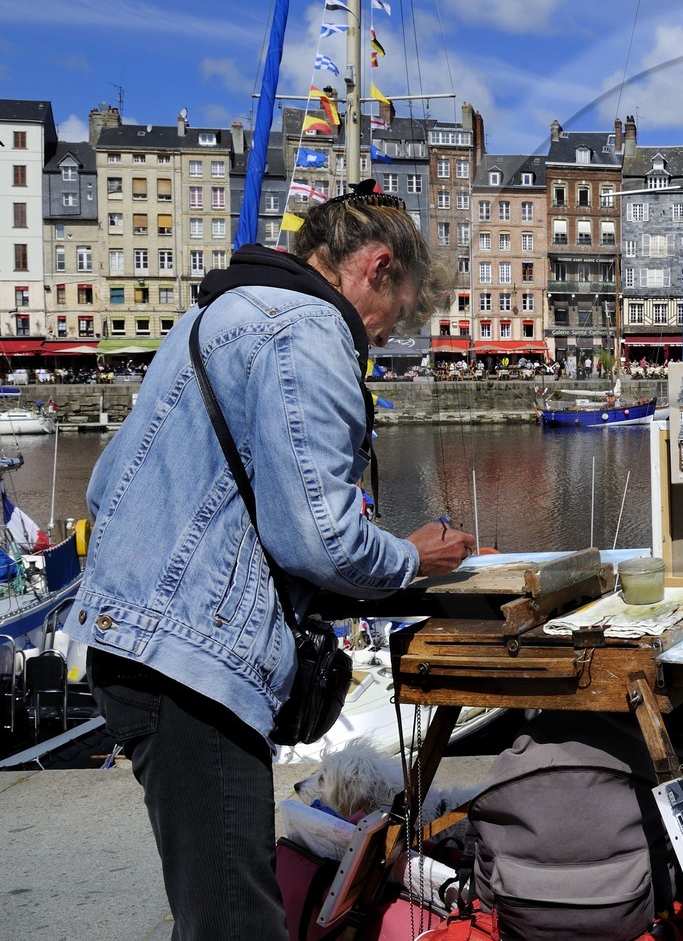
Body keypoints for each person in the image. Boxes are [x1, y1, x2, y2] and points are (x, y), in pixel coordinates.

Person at [70, 182, 478, 941]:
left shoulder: (218, 312)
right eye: (400, 316)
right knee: (235, 920)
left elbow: (107, 485)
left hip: (140, 644)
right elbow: (319, 541)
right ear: (377, 268)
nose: (386, 341)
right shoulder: (310, 328)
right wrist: (412, 556)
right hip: (190, 663)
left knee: (217, 903)